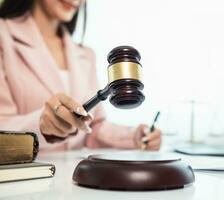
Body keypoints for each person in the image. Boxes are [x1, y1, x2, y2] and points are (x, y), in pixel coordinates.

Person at [0, 0, 162, 151]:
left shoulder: (85, 54)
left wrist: (134, 136)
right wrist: (41, 125)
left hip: (71, 177)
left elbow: (93, 128)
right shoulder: (3, 37)